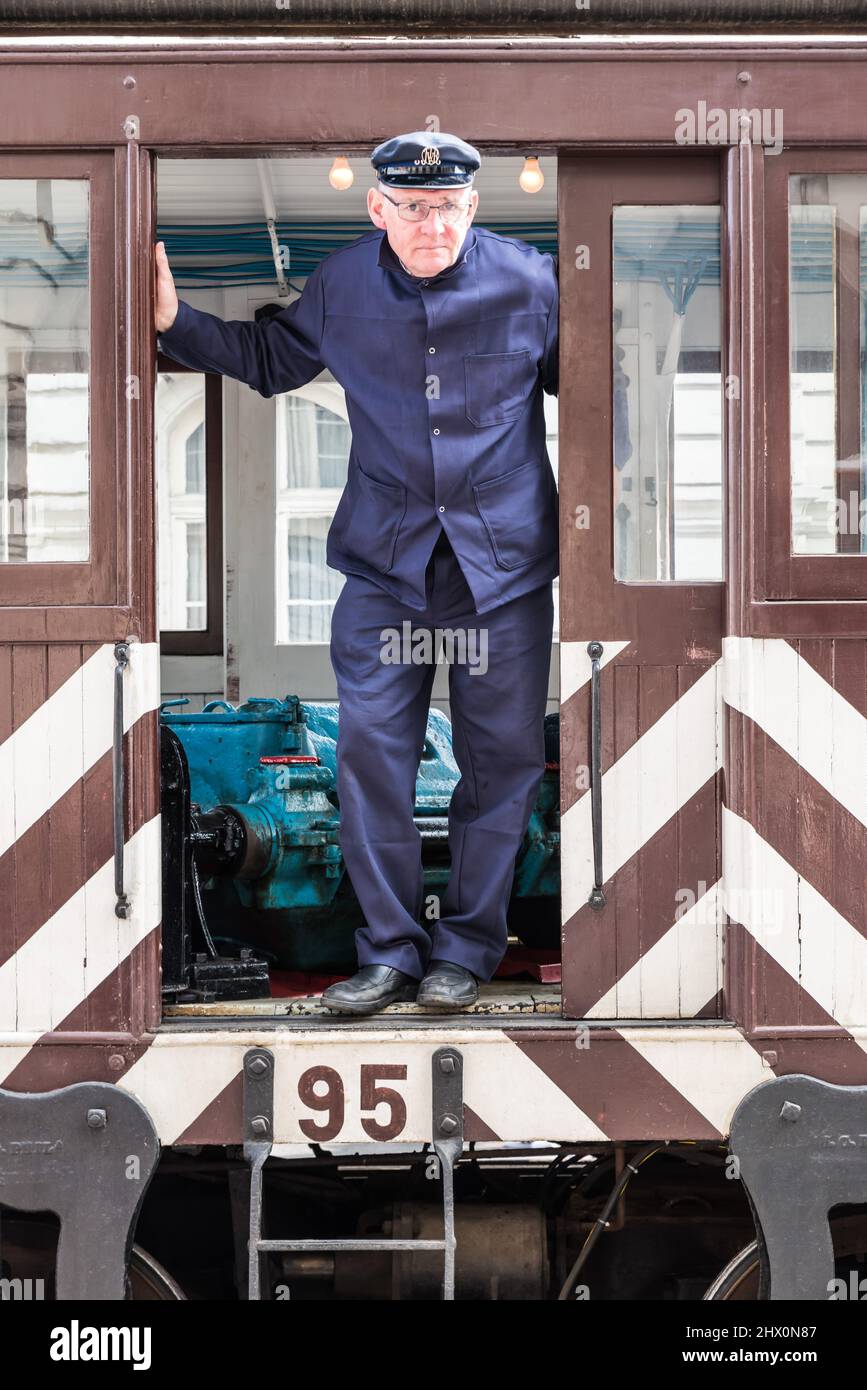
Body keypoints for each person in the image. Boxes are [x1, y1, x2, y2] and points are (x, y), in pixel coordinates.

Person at [154, 130, 559, 1015]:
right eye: (413, 209)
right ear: (378, 209)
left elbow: (600, 394)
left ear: (472, 207)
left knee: (500, 761)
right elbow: (269, 361)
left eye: (448, 207)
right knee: (371, 760)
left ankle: (467, 950)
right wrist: (171, 323)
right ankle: (388, 955)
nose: (432, 225)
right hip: (386, 568)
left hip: (504, 571)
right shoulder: (340, 286)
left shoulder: (532, 283)